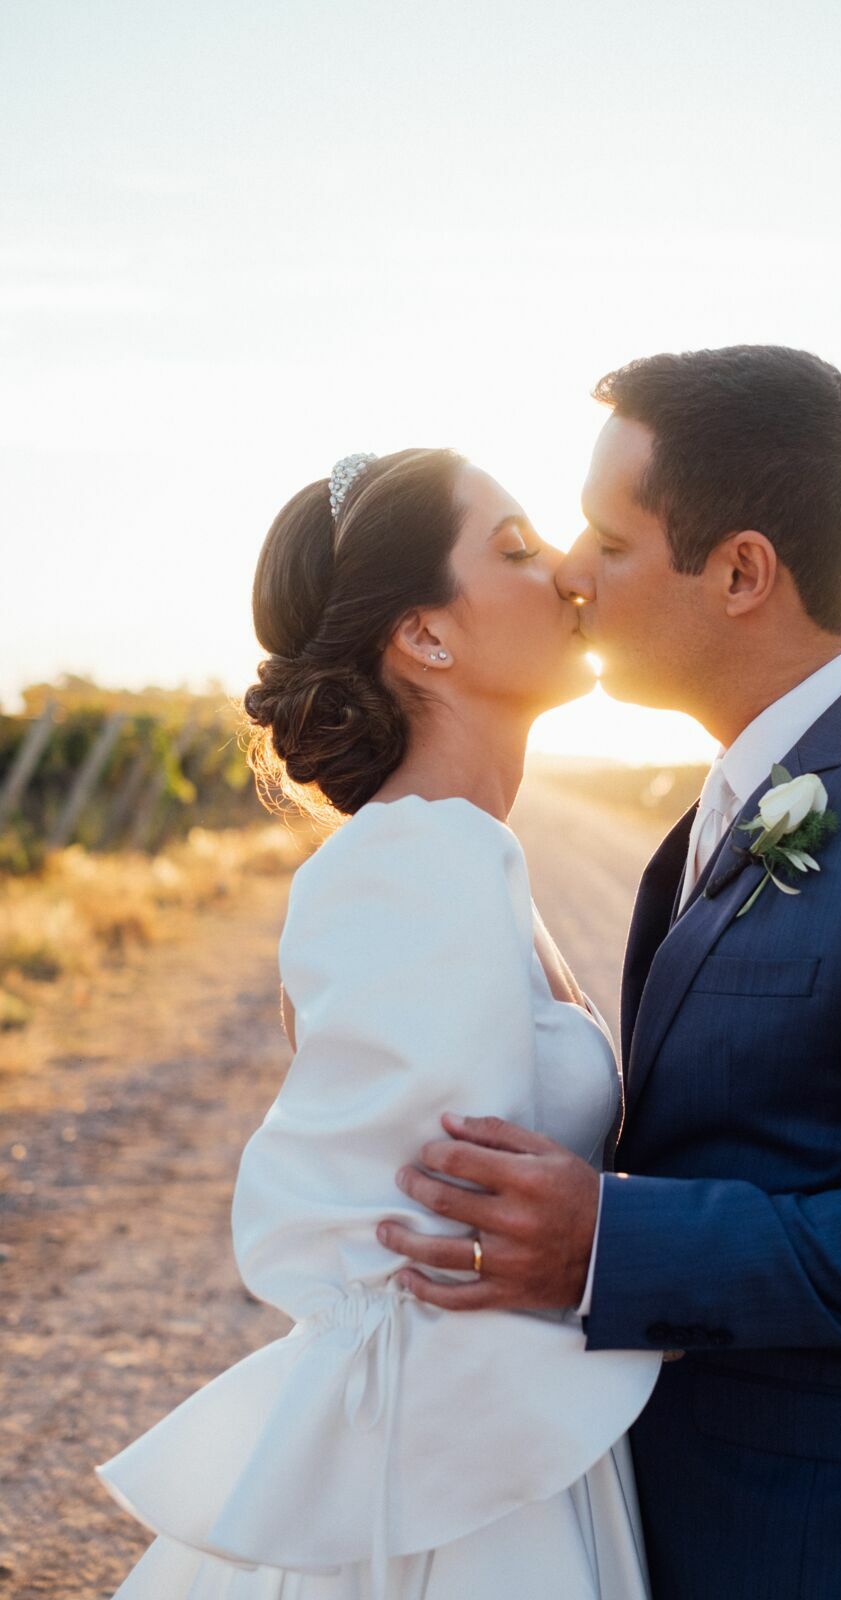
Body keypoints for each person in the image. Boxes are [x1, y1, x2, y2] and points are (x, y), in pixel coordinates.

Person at [386, 348, 841, 1599]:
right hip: (721, 1516)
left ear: (741, 570)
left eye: (608, 537)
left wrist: (610, 1240)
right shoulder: (722, 806)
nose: (572, 574)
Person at [95, 447, 661, 1599]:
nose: (560, 568)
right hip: (458, 1492)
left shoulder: (459, 849)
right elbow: (421, 1238)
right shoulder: (420, 858)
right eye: (511, 548)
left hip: (497, 1438)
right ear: (426, 637)